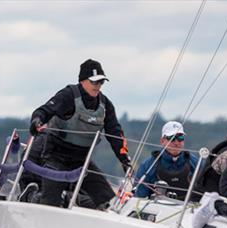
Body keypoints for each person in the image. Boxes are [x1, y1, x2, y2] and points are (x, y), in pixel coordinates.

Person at [23, 58, 131, 208]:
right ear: (83, 81)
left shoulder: (105, 105)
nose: (98, 86)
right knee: (50, 203)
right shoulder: (68, 95)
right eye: (94, 82)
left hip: (82, 160)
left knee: (108, 201)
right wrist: (36, 122)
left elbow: (115, 133)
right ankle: (31, 196)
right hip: (56, 157)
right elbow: (43, 111)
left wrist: (124, 159)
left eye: (101, 82)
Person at [133, 121, 199, 201]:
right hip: (157, 209)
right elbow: (139, 197)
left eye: (180, 138)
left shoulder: (195, 162)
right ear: (162, 141)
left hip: (188, 210)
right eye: (171, 138)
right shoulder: (148, 165)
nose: (176, 142)